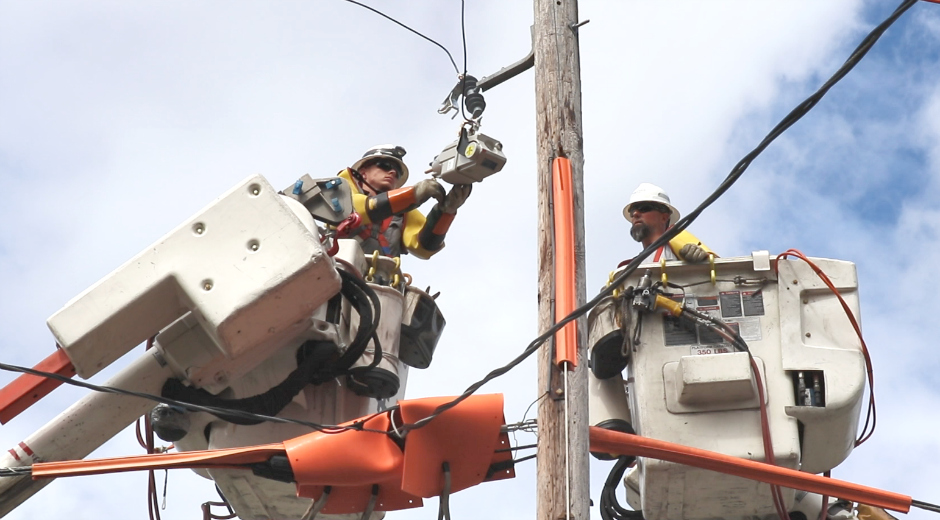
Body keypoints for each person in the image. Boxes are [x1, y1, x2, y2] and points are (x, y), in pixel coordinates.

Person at [338, 144, 471, 259]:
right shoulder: (339, 191)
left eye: (398, 173)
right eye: (384, 166)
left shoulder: (402, 214)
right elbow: (360, 209)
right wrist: (413, 194)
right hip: (338, 274)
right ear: (363, 172)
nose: (392, 173)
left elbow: (424, 247)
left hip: (381, 283)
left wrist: (445, 212)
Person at [621, 183, 713, 264]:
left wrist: (703, 260)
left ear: (664, 217)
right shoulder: (631, 267)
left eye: (644, 208)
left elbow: (720, 272)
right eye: (632, 211)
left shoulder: (678, 244)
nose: (635, 214)